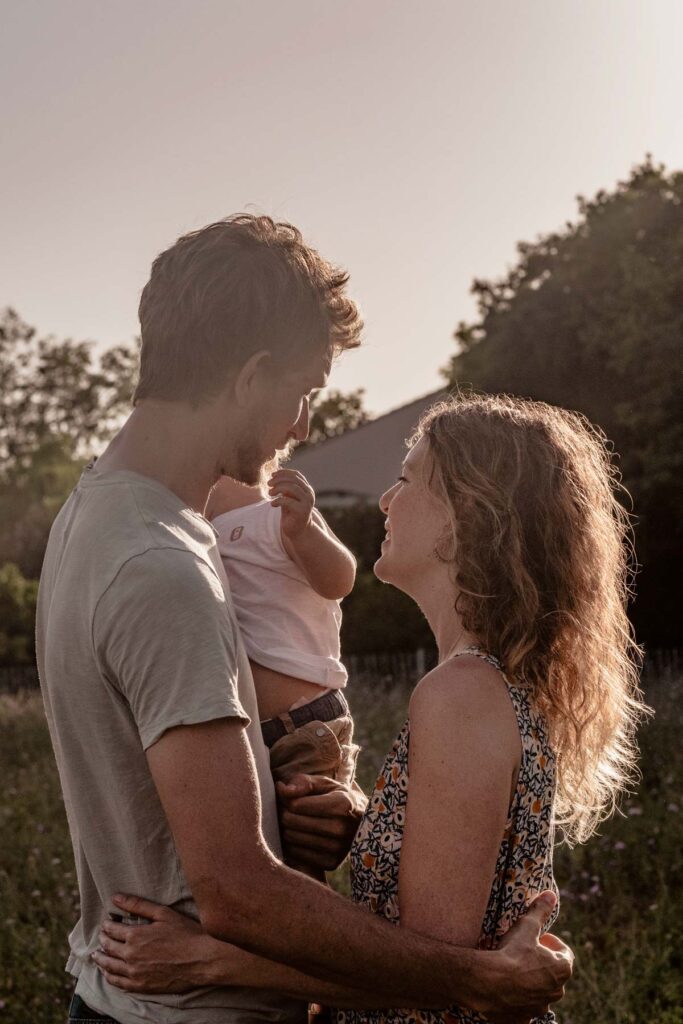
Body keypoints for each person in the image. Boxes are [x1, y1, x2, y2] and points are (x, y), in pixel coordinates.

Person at [37, 216, 571, 1024]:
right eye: (304, 391)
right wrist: (474, 981)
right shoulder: (159, 565)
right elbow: (237, 891)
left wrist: (319, 817)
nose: (302, 426)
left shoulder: (102, 518)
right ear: (252, 376)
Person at [92, 393, 643, 1021]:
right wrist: (366, 825)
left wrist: (211, 961)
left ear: (467, 512)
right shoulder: (483, 684)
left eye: (406, 480)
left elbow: (433, 981)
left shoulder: (462, 694)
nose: (385, 500)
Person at [207, 466, 359, 876]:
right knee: (262, 859)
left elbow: (339, 580)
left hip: (303, 725)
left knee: (302, 861)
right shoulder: (199, 533)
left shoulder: (277, 513)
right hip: (253, 731)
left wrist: (304, 530)